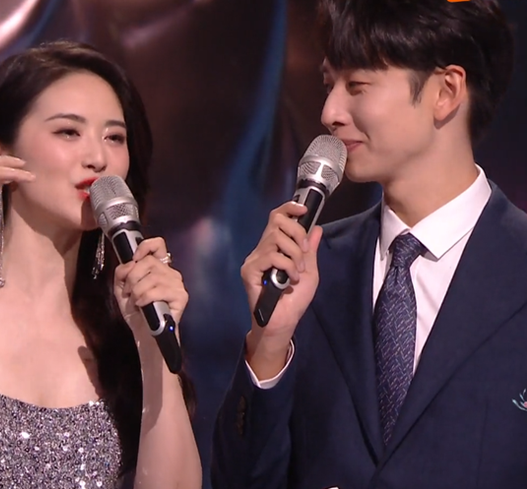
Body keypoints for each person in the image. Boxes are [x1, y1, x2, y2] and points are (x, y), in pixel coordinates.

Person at [212, 0, 527, 487]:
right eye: (328, 85)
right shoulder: (308, 269)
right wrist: (268, 345)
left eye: (357, 86)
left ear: (446, 91)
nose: (330, 113)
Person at [0, 40, 201, 489]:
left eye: (114, 137)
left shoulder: (116, 330)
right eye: (69, 132)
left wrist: (154, 346)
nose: (98, 158)